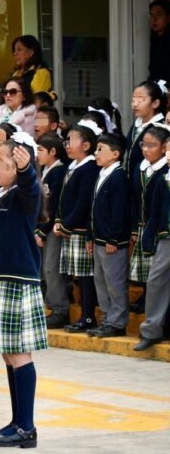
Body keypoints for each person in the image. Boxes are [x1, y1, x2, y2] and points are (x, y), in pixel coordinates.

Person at [0, 137, 46, 449]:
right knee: (8, 353)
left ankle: (26, 426)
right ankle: (17, 422)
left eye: (1, 161)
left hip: (16, 280)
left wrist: (26, 170)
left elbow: (33, 190)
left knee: (18, 353)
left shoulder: (22, 193)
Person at [53, 122, 101, 333]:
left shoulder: (89, 168)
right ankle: (84, 315)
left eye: (71, 140)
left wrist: (67, 224)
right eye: (66, 140)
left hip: (81, 230)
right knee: (78, 276)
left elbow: (83, 203)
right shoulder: (72, 166)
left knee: (86, 276)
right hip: (70, 229)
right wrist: (59, 220)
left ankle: (89, 316)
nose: (67, 145)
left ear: (86, 145)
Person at [87, 133, 131, 338]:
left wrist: (113, 238)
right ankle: (107, 317)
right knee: (101, 280)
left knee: (115, 282)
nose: (96, 153)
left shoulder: (119, 177)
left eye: (100, 149)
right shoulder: (102, 173)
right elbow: (94, 208)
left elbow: (119, 211)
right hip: (98, 239)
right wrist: (90, 235)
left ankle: (118, 321)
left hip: (112, 242)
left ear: (115, 154)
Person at [128, 126, 169, 316]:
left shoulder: (164, 172)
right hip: (143, 224)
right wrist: (136, 227)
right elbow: (136, 199)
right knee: (145, 270)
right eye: (144, 144)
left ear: (164, 148)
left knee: (156, 271)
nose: (145, 149)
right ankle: (145, 299)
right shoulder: (140, 168)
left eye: (151, 145)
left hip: (158, 227)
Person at [136, 130, 170, 350]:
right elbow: (154, 213)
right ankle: (152, 330)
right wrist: (149, 239)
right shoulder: (162, 179)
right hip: (165, 238)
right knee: (156, 280)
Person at [35, 134, 71, 329]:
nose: (37, 154)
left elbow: (53, 203)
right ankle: (49, 304)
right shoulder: (44, 170)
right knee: (42, 268)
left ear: (53, 152)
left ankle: (60, 310)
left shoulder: (58, 172)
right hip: (41, 227)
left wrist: (42, 230)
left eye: (40, 150)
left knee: (51, 268)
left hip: (51, 228)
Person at [0, 77, 37, 193]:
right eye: (5, 92)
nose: (8, 95)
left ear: (24, 95)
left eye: (13, 92)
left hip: (19, 178)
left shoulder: (32, 117)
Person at [124, 81, 167, 181]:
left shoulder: (161, 128)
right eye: (133, 100)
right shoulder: (136, 125)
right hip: (132, 182)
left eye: (140, 100)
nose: (134, 104)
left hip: (150, 180)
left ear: (155, 103)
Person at [148, 0, 170, 83]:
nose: (154, 19)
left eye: (159, 14)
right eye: (151, 15)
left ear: (169, 17)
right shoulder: (156, 40)